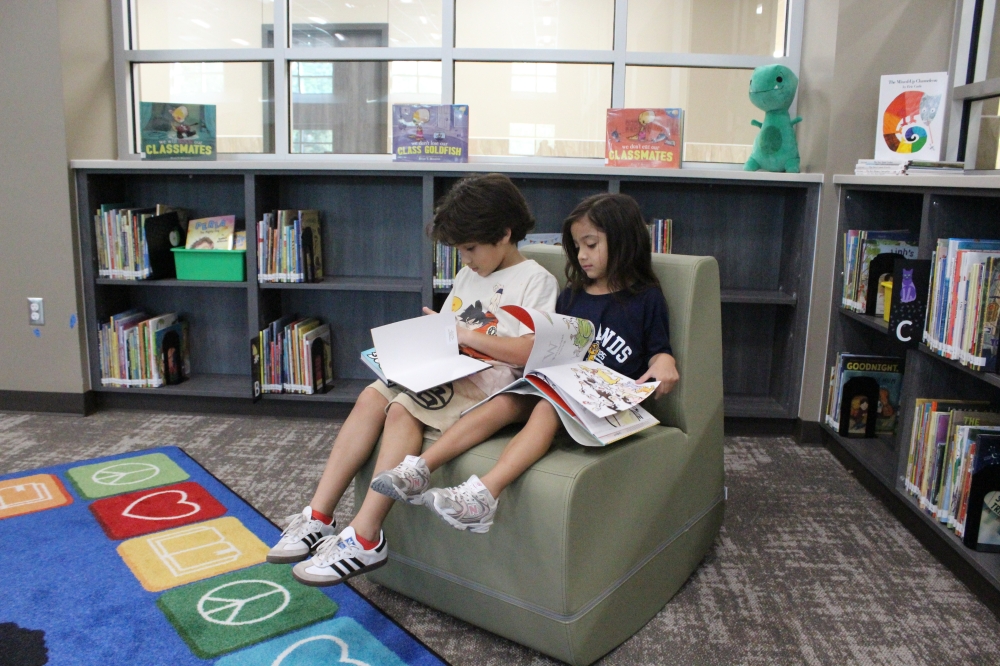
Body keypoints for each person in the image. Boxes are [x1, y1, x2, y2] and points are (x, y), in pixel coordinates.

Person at [268, 173, 560, 586]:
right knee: (371, 397)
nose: (466, 259)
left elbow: (533, 349)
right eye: (459, 250)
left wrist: (464, 335)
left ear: (505, 234)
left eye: (471, 248)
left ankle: (365, 535)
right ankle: (317, 516)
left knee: (402, 411)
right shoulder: (468, 275)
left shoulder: (535, 280)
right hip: (449, 370)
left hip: (487, 382)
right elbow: (452, 328)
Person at [370, 193, 680, 532]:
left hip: (612, 400)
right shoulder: (574, 294)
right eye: (577, 247)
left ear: (623, 240)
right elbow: (557, 343)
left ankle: (484, 495)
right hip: (566, 387)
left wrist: (665, 362)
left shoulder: (646, 297)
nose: (582, 255)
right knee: (514, 396)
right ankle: (420, 469)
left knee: (547, 407)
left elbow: (659, 349)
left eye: (591, 244)